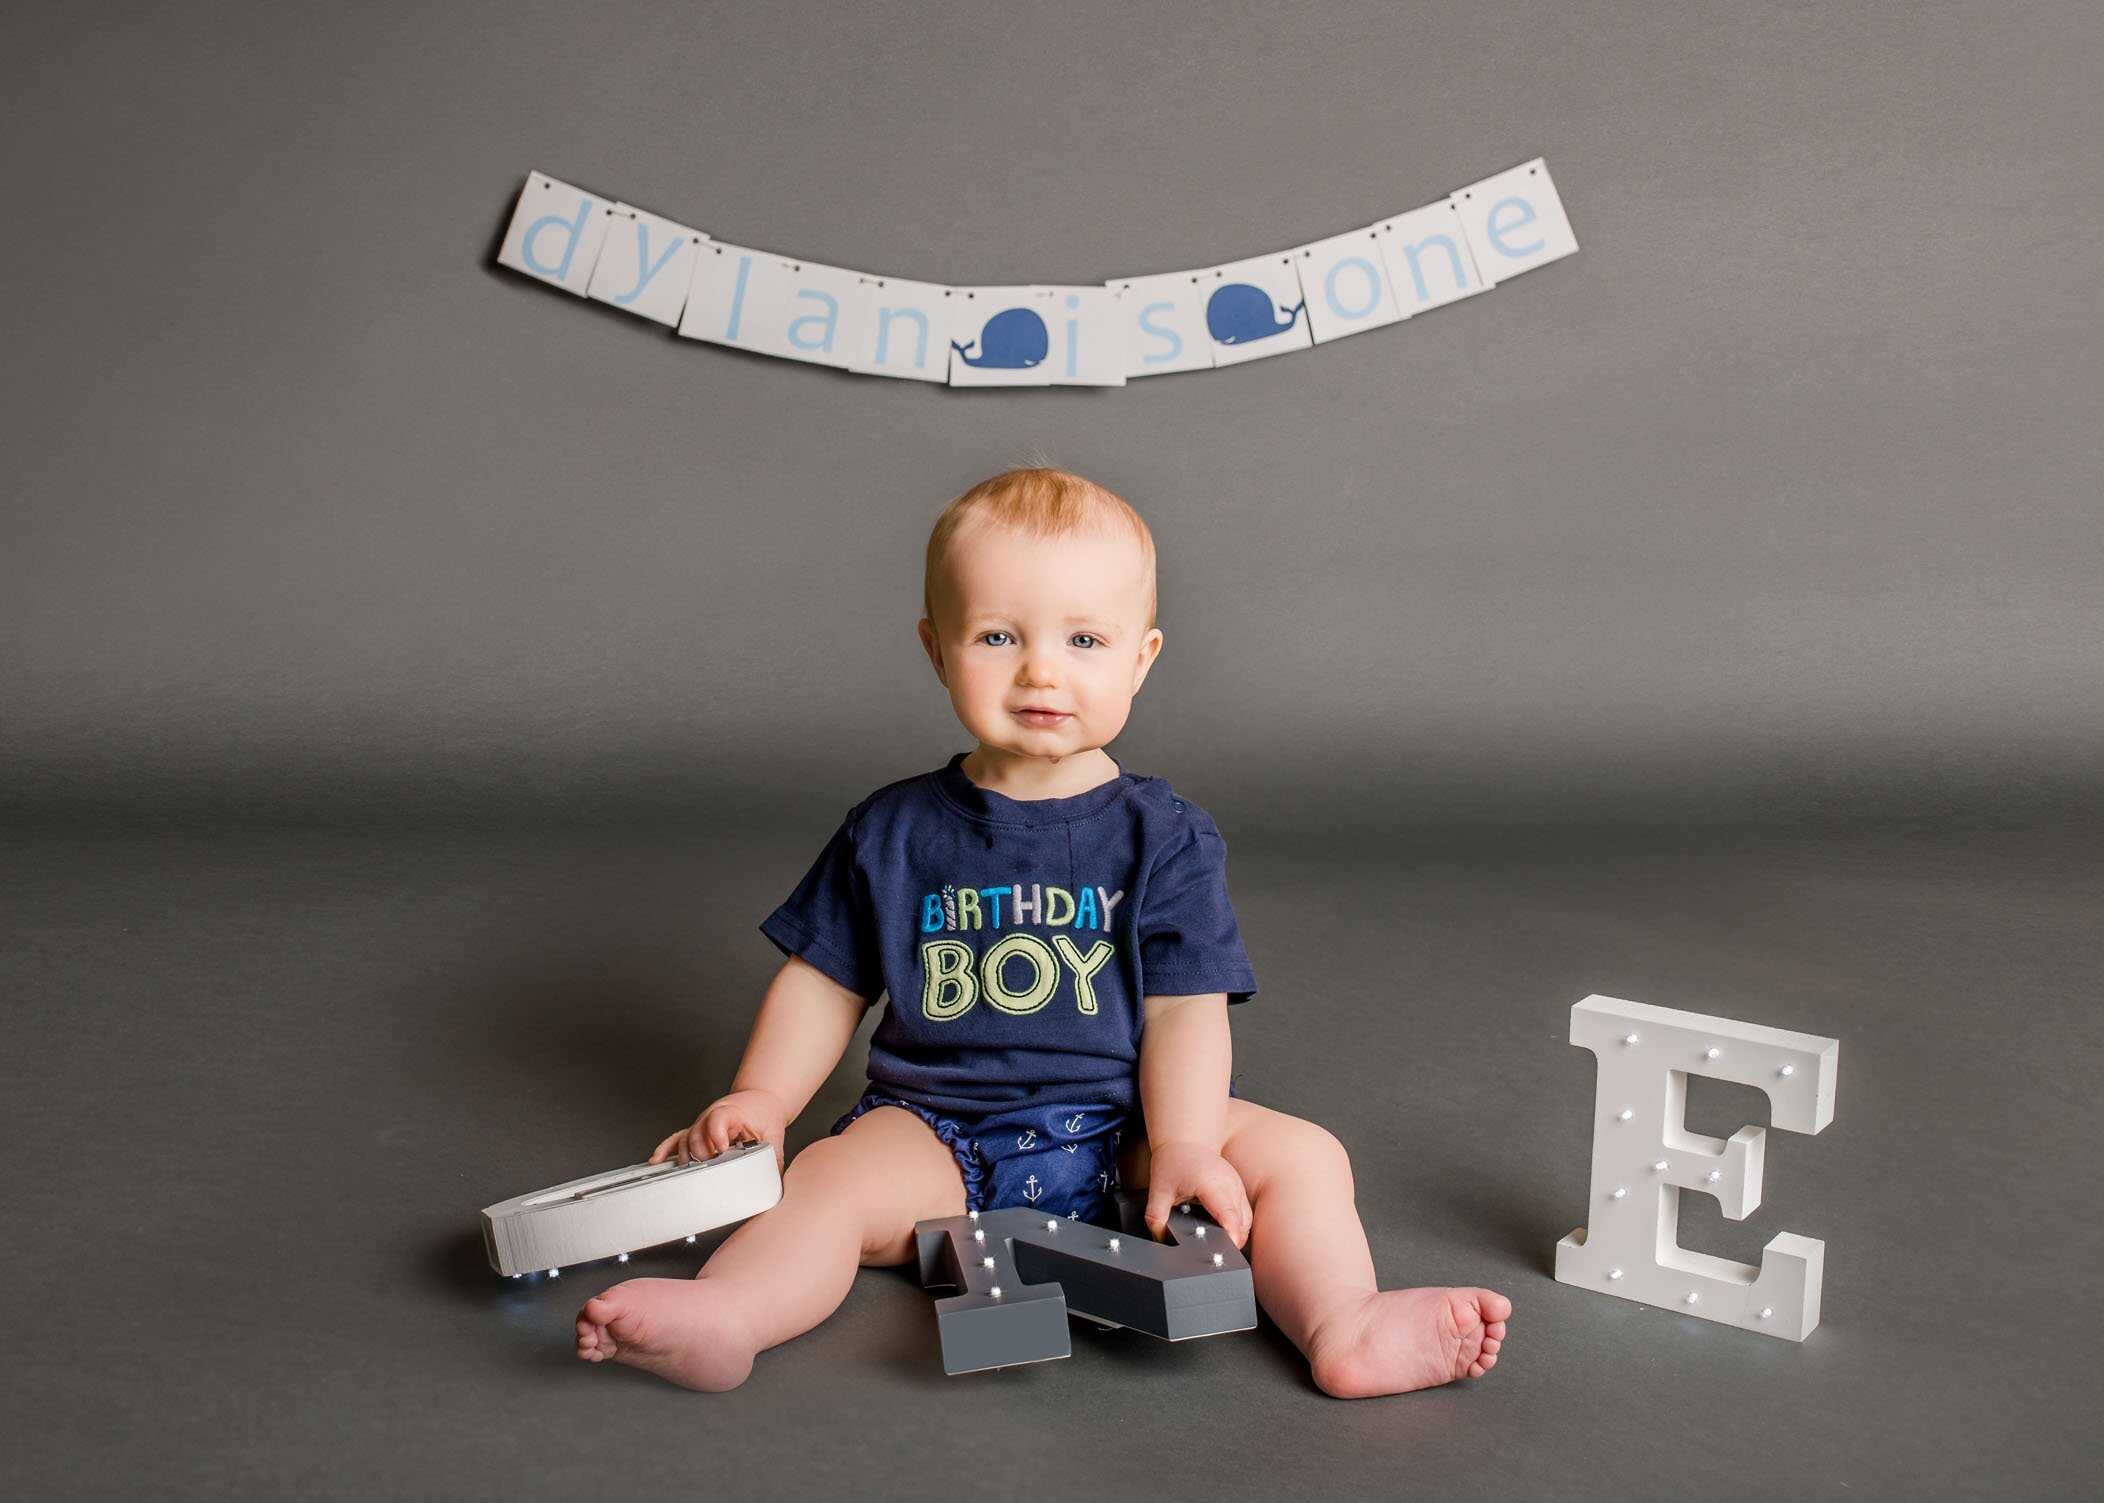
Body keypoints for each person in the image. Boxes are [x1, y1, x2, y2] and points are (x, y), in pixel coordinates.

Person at [575, 465, 1510, 1395]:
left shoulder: (1165, 837)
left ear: (1141, 658)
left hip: (1124, 1125)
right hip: (934, 1128)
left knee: (1305, 1156)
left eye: (1085, 638)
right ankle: (729, 1315)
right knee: (825, 1181)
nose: (1041, 669)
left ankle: (1345, 1323)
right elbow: (825, 982)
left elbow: (1188, 1012)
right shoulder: (891, 831)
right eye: (996, 635)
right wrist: (765, 1099)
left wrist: (1184, 1143)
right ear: (937, 650)